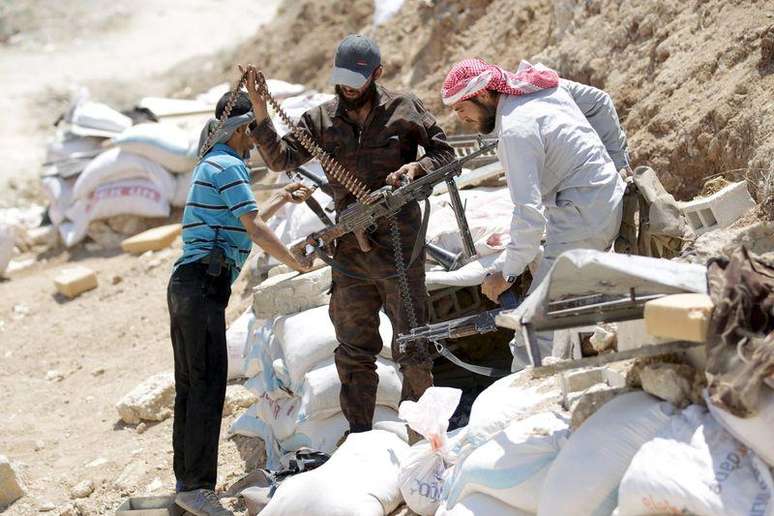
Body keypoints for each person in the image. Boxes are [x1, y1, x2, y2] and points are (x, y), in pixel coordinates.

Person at [244, 34, 455, 438]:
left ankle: (422, 437)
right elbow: (279, 159)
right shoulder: (320, 120)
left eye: (356, 80)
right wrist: (260, 110)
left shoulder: (404, 109)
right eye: (341, 80)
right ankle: (361, 437)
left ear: (376, 74)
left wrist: (415, 170)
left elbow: (445, 155)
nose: (347, 88)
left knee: (413, 346)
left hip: (400, 249)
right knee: (354, 350)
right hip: (351, 256)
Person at [169, 90, 311, 516]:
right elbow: (252, 228)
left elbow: (241, 216)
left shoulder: (213, 164)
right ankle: (196, 488)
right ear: (242, 128)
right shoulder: (228, 164)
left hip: (188, 285)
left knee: (191, 388)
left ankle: (186, 486)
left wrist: (281, 199)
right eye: (253, 131)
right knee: (207, 386)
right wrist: (296, 263)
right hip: (202, 286)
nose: (255, 141)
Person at [441, 58, 627, 302]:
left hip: (580, 220)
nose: (460, 118)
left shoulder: (516, 130)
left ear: (484, 94)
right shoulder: (541, 87)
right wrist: (618, 165)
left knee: (538, 326)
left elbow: (529, 214)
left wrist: (507, 274)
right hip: (607, 198)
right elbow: (599, 102)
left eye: (460, 107)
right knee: (582, 310)